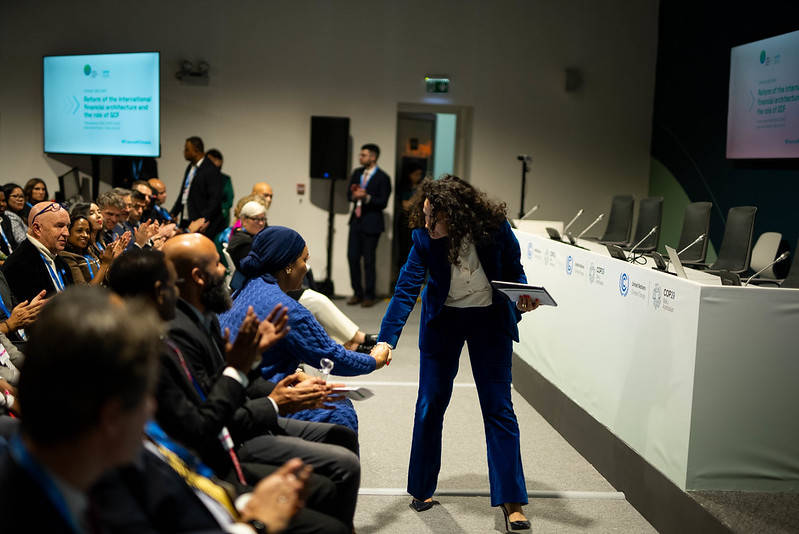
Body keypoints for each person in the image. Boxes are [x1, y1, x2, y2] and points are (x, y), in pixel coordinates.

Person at [106, 248, 350, 534]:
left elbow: (212, 392)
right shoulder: (164, 345)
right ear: (161, 291)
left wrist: (250, 367)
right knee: (330, 497)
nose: (225, 269)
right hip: (221, 448)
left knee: (332, 463)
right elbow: (199, 426)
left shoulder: (197, 320)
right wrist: (253, 514)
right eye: (174, 284)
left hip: (219, 448)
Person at [372, 175, 540, 529]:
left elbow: (513, 270)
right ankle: (421, 487)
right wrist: (386, 339)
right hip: (443, 322)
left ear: (460, 215)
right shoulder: (422, 237)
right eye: (426, 214)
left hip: (488, 321)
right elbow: (406, 289)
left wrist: (523, 299)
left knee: (499, 407)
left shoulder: (495, 230)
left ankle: (512, 500)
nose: (427, 223)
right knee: (430, 403)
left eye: (435, 217)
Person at [162, 233, 362, 530]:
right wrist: (270, 399)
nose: (227, 270)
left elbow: (231, 382)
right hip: (229, 444)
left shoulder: (207, 316)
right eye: (218, 264)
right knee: (337, 469)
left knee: (341, 439)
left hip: (241, 415)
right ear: (197, 276)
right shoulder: (179, 334)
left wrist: (288, 388)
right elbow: (210, 418)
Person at [222, 226, 389, 431]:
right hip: (259, 397)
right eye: (304, 260)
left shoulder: (244, 288)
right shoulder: (288, 309)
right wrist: (375, 361)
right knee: (339, 410)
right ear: (288, 266)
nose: (307, 268)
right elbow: (332, 356)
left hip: (235, 389)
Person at [346, 143, 392, 308]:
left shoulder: (383, 178)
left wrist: (366, 197)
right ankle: (357, 292)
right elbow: (348, 195)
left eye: (364, 155)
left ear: (373, 157)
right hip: (356, 221)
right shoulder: (357, 173)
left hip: (372, 224)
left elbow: (383, 202)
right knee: (352, 257)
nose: (360, 158)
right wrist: (354, 195)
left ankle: (369, 295)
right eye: (360, 155)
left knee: (369, 261)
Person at [1, 201, 74, 303]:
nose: (67, 233)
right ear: (37, 228)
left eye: (68, 226)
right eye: (59, 226)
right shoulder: (17, 265)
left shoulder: (61, 262)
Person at [171, 136, 225, 238]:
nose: (184, 152)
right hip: (187, 217)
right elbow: (184, 192)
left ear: (196, 151)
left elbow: (215, 199)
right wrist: (174, 213)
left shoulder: (211, 169)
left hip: (202, 223)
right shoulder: (190, 167)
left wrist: (203, 219)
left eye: (187, 150)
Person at [59, 213, 125, 285]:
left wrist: (111, 261)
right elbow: (85, 292)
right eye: (79, 231)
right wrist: (105, 263)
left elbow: (105, 279)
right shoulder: (66, 257)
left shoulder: (89, 252)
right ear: (68, 233)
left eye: (87, 232)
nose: (85, 235)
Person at [206, 148, 235, 227]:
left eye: (212, 160)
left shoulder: (225, 179)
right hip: (204, 217)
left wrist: (218, 209)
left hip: (221, 217)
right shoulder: (202, 179)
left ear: (219, 161)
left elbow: (230, 199)